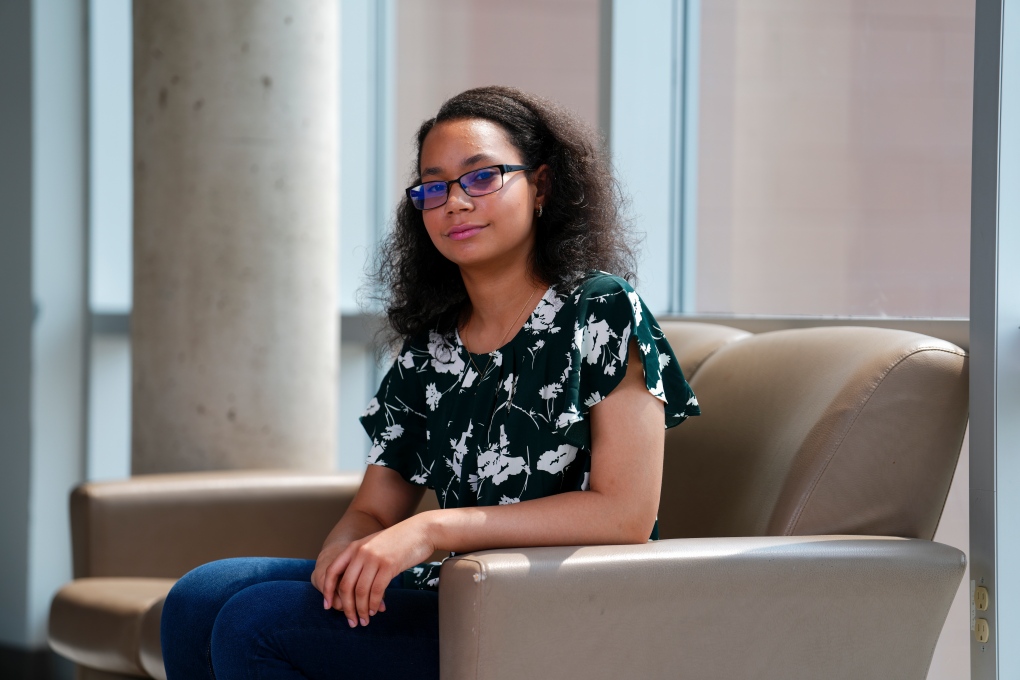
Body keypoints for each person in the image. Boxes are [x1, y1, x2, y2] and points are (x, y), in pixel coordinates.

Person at [160, 85, 699, 680]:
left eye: (481, 177)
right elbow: (372, 509)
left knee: (255, 621)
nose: (455, 203)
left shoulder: (600, 309)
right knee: (198, 596)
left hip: (555, 607)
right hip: (453, 594)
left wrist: (432, 528)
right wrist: (345, 555)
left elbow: (624, 514)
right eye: (434, 186)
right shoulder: (436, 344)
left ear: (541, 187)